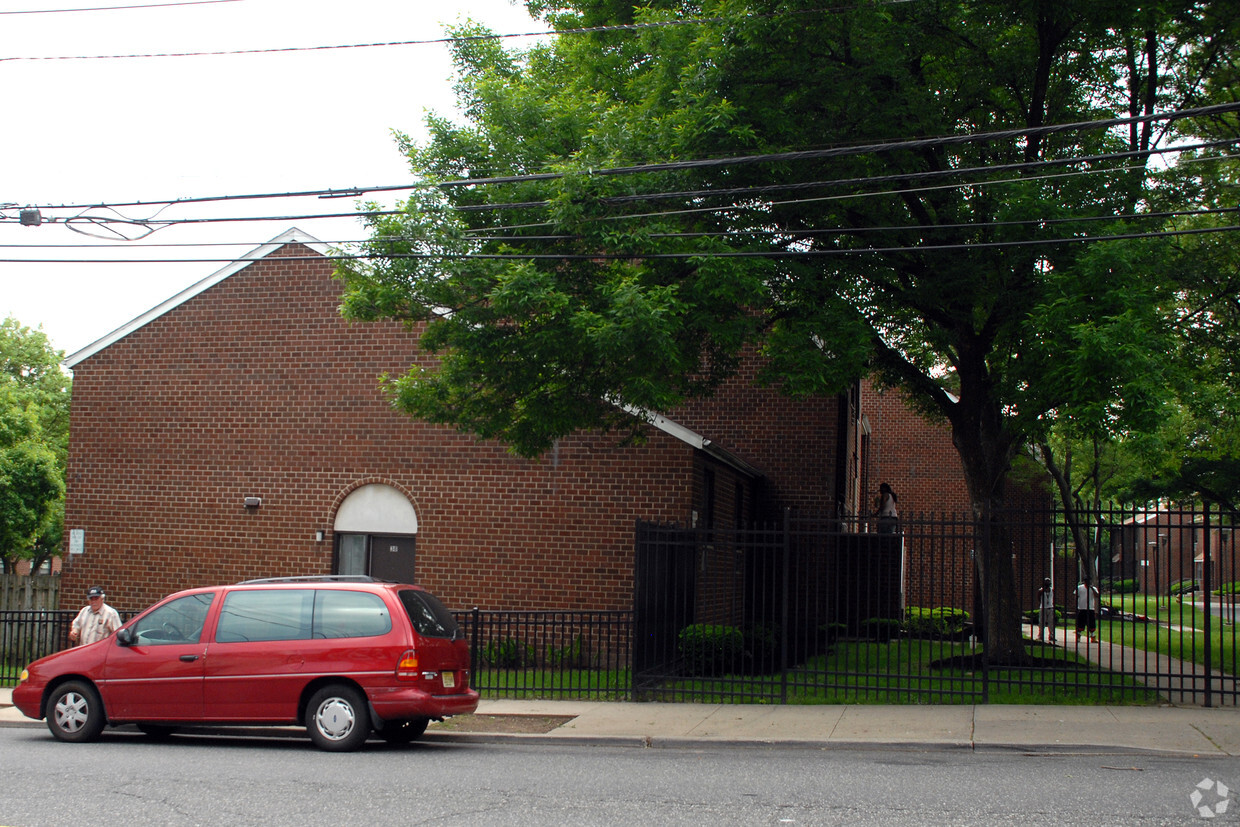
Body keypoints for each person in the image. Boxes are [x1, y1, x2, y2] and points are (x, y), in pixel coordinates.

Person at [1075, 577, 1100, 644]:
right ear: (1084, 581)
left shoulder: (1093, 588)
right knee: (1080, 624)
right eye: (1086, 581)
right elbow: (1076, 595)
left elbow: (1097, 595)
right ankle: (1078, 637)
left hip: (1090, 608)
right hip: (1081, 608)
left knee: (1092, 624)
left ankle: (1093, 637)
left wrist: (1091, 588)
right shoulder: (1079, 588)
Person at [1034, 577, 1055, 644]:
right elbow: (1038, 598)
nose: (1047, 584)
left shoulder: (1052, 590)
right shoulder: (1040, 591)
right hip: (1043, 608)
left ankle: (1051, 635)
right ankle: (1040, 635)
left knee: (1050, 622)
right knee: (1041, 622)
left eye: (1048, 582)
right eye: (1046, 583)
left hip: (1050, 607)